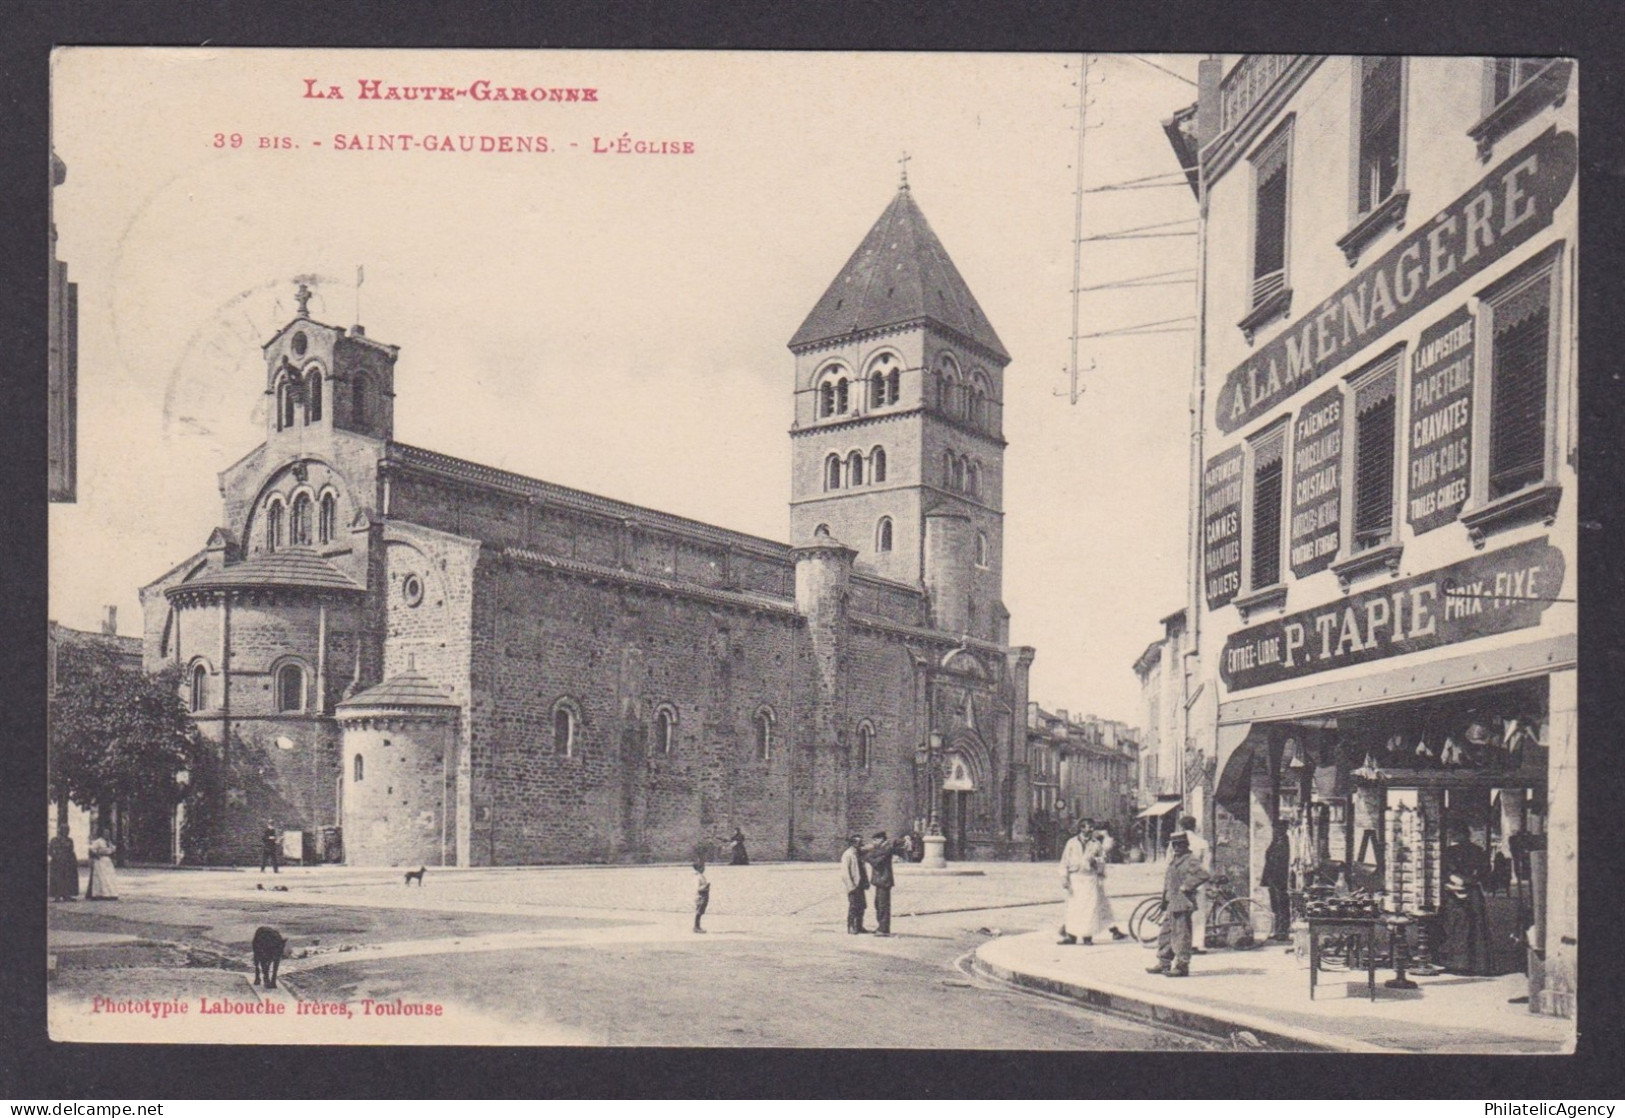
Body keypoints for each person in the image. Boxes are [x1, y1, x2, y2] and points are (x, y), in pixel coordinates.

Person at [1147, 830, 1209, 977]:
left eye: (1179, 844)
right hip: (1171, 902)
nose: (1176, 848)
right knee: (1165, 934)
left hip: (1182, 902)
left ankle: (1182, 965)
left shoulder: (1190, 859)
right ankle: (1164, 962)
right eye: (1174, 845)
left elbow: (1203, 874)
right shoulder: (1175, 859)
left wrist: (1187, 886)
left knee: (1181, 935)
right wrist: (1165, 899)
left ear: (1186, 845)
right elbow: (1168, 881)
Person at [1058, 820, 1128, 944]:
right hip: (1075, 878)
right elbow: (1064, 861)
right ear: (1081, 828)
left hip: (1090, 878)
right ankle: (1072, 936)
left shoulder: (1096, 844)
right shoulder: (1072, 843)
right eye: (1087, 827)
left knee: (1089, 908)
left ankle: (1087, 937)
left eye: (1092, 827)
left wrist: (1096, 862)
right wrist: (1064, 878)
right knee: (1073, 908)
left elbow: (1102, 860)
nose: (1090, 830)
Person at [1439, 822, 1492, 975]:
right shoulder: (1478, 851)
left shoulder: (1450, 852)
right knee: (1476, 926)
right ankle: (1478, 964)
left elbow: (1447, 873)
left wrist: (1455, 881)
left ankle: (1458, 963)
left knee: (1457, 927)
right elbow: (1484, 873)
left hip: (1455, 893)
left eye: (1455, 833)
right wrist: (1472, 880)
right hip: (1473, 892)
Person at [1178, 814, 1212, 953]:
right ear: (1194, 826)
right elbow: (1206, 865)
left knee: (1180, 913)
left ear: (1181, 826)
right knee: (1198, 913)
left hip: (1181, 881)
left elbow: (1170, 862)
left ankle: (1181, 943)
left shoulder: (1175, 841)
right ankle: (1197, 944)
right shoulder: (1202, 843)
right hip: (1198, 882)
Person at [864, 830, 907, 936]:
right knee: (878, 904)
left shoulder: (886, 848)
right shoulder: (881, 848)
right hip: (880, 880)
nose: (873, 842)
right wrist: (871, 854)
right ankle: (881, 927)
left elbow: (876, 862)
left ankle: (883, 929)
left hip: (884, 880)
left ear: (881, 839)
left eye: (875, 840)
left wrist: (868, 856)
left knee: (883, 905)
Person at [1261, 819, 1292, 940]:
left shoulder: (1284, 842)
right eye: (1275, 828)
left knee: (1281, 904)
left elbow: (1280, 862)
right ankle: (1278, 930)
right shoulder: (1276, 842)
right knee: (1275, 905)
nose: (1275, 831)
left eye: (1278, 828)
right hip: (1272, 878)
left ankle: (1283, 931)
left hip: (1279, 878)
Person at [840, 834, 870, 934]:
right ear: (853, 843)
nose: (861, 844)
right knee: (853, 906)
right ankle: (851, 926)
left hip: (860, 883)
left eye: (861, 842)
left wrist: (866, 882)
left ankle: (859, 926)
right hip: (853, 884)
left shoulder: (859, 854)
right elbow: (845, 872)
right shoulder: (848, 855)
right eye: (858, 842)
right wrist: (850, 886)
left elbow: (863, 869)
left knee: (862, 905)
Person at [49, 824, 81, 902]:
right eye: (64, 830)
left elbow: (71, 851)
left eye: (67, 830)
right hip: (57, 862)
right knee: (57, 878)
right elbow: (50, 851)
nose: (66, 832)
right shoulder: (54, 840)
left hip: (68, 862)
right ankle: (57, 896)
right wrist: (56, 857)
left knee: (68, 878)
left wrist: (73, 861)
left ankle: (67, 895)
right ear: (60, 830)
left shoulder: (70, 840)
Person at [85, 829, 119, 900]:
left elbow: (112, 849)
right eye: (105, 833)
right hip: (100, 861)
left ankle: (111, 893)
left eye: (108, 833)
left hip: (107, 861)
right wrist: (96, 854)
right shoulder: (98, 841)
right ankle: (101, 893)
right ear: (102, 834)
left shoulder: (109, 842)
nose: (107, 835)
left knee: (109, 877)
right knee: (101, 877)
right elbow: (91, 849)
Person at [692, 859, 710, 933]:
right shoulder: (698, 877)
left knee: (701, 911)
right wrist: (706, 886)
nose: (704, 868)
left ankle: (697, 926)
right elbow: (697, 888)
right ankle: (696, 927)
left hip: (703, 895)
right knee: (699, 911)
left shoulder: (701, 876)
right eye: (702, 867)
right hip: (700, 895)